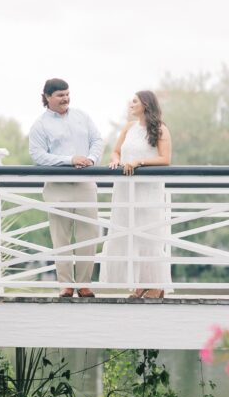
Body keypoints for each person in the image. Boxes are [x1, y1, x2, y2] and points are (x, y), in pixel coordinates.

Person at [28, 78, 104, 298]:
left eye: (67, 94)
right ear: (47, 97)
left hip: (85, 185)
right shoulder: (40, 125)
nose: (65, 98)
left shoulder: (82, 117)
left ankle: (84, 284)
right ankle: (66, 285)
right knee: (61, 236)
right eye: (60, 95)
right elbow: (38, 156)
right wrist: (70, 160)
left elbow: (98, 140)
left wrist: (90, 159)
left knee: (88, 234)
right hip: (58, 186)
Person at [100, 90, 172, 299]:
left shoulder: (160, 130)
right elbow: (116, 151)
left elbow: (165, 159)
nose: (130, 105)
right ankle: (141, 283)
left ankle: (156, 285)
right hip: (125, 190)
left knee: (149, 235)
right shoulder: (129, 128)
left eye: (134, 101)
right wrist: (115, 160)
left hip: (147, 189)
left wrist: (139, 162)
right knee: (130, 234)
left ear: (146, 105)